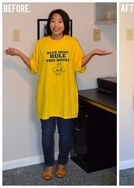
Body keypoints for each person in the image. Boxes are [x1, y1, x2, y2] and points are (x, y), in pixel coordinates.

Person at [5, 9, 112, 180]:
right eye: (53, 21)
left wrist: (91, 53)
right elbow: (34, 66)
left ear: (65, 24)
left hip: (66, 98)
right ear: (49, 24)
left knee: (65, 134)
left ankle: (62, 163)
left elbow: (78, 65)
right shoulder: (41, 44)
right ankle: (49, 165)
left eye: (60, 21)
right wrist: (18, 53)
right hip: (46, 98)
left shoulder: (72, 42)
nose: (56, 24)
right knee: (47, 134)